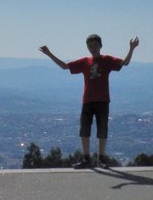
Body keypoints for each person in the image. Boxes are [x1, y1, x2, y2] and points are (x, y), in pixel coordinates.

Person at [39, 34, 139, 169]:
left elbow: (125, 63)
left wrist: (131, 48)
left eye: (95, 45)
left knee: (102, 131)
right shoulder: (85, 62)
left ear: (100, 46)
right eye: (90, 46)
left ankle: (101, 159)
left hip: (103, 101)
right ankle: (86, 159)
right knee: (84, 131)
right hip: (87, 101)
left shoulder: (107, 60)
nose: (93, 48)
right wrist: (49, 53)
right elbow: (65, 66)